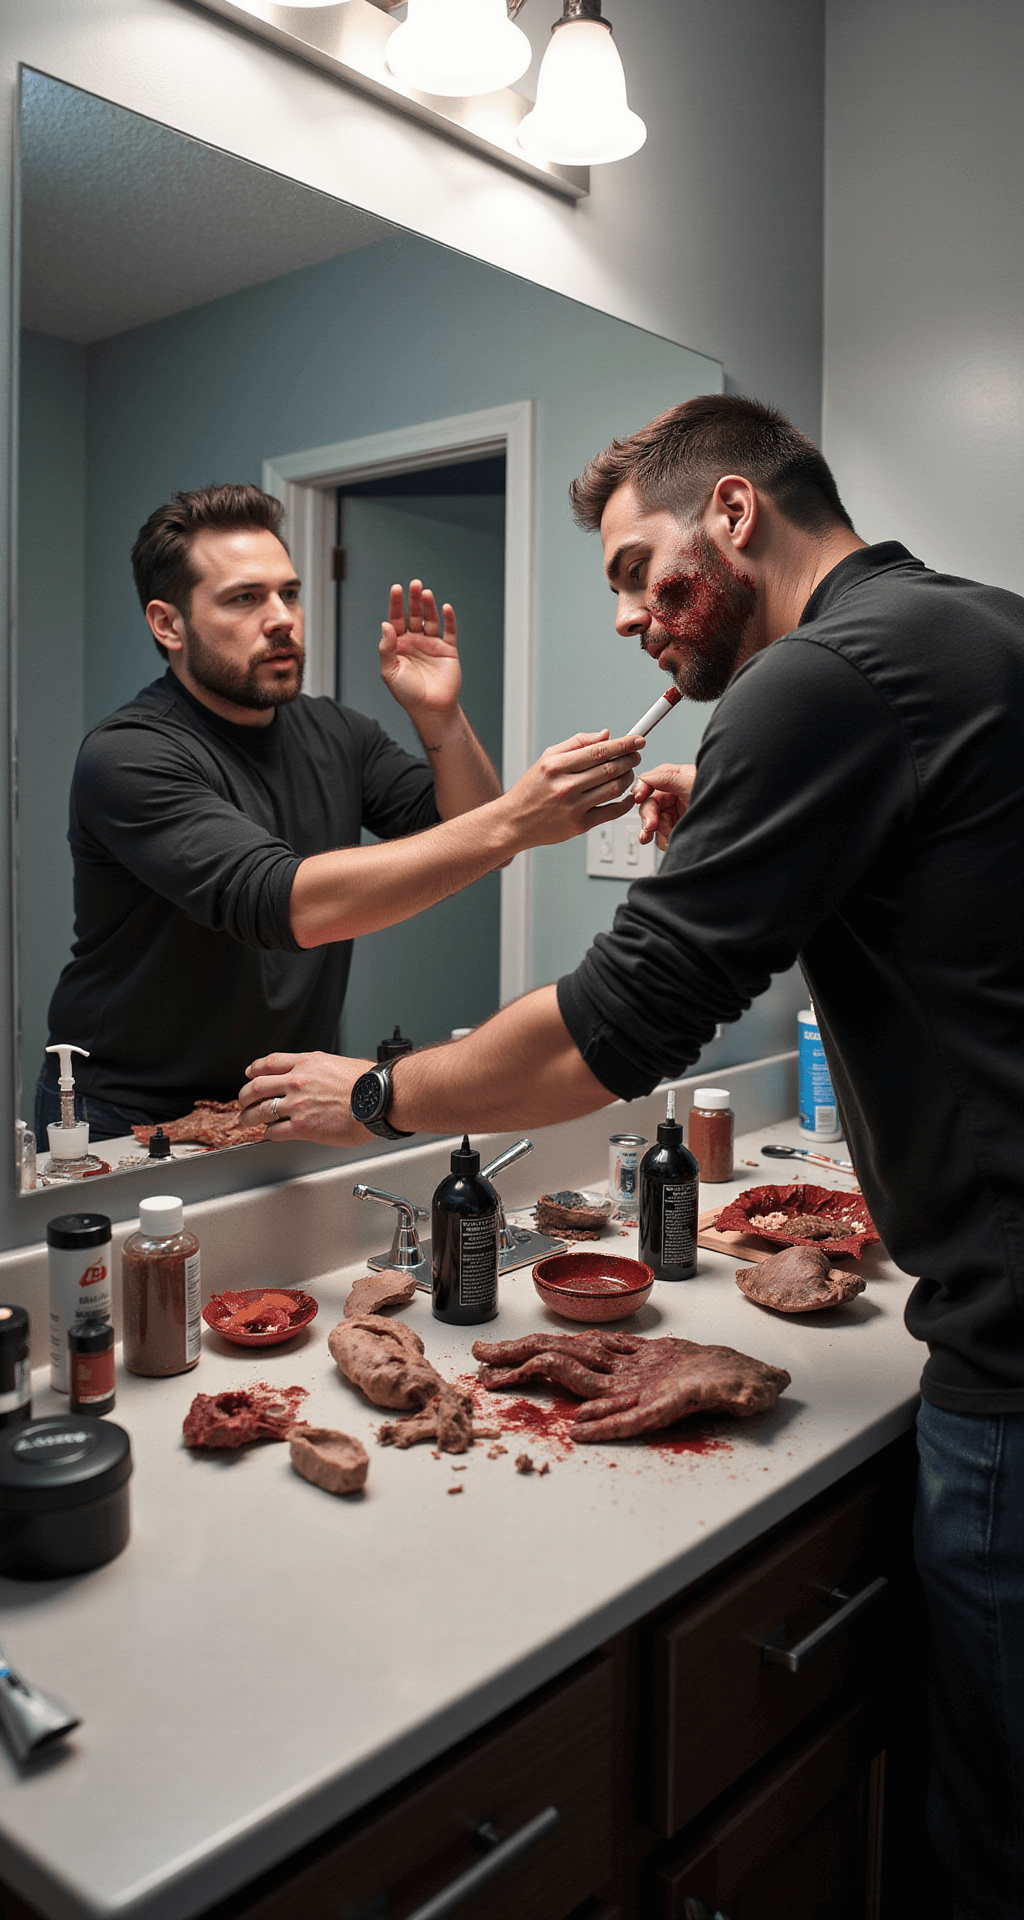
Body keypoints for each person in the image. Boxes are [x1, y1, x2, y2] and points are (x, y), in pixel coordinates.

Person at [239, 396, 1024, 1919]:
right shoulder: (974, 627)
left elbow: (613, 1033)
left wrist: (380, 1095)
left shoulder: (816, 679)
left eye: (633, 570)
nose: (625, 618)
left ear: (732, 514)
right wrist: (733, 809)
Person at [39, 482, 642, 1137]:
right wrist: (515, 821)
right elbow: (283, 904)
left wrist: (439, 715)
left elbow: (466, 834)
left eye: (289, 593)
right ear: (168, 624)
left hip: (280, 1102)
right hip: (127, 1113)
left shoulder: (336, 732)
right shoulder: (128, 755)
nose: (282, 618)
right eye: (245, 598)